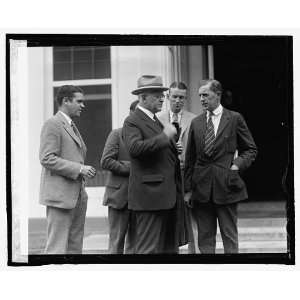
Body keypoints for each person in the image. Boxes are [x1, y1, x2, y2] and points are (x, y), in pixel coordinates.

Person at [184, 79, 258, 254]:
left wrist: (236, 166)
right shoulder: (196, 122)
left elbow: (251, 149)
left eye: (206, 95)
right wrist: (188, 190)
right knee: (205, 240)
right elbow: (190, 159)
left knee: (229, 238)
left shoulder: (234, 119)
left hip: (227, 186)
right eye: (200, 95)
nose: (202, 99)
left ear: (218, 95)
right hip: (202, 189)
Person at [123, 75, 182, 254]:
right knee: (148, 250)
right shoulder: (133, 120)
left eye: (162, 94)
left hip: (165, 196)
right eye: (157, 95)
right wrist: (165, 137)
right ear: (142, 98)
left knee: (167, 249)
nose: (162, 98)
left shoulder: (155, 120)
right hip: (150, 198)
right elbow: (135, 149)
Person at [39, 85, 96, 254]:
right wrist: (79, 169)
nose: (83, 105)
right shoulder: (53, 124)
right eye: (79, 101)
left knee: (74, 248)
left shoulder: (70, 125)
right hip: (60, 197)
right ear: (65, 101)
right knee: (56, 249)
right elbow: (46, 158)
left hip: (76, 196)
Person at [157, 81, 199, 253]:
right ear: (168, 97)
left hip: (187, 173)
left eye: (181, 97)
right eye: (174, 97)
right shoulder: (157, 119)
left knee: (192, 219)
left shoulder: (194, 119)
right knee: (169, 217)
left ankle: (195, 256)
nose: (178, 101)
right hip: (166, 174)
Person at [100, 100, 139, 254]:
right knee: (116, 244)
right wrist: (132, 168)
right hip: (118, 197)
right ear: (131, 113)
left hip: (141, 198)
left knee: (136, 245)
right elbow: (106, 161)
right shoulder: (116, 134)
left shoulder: (148, 137)